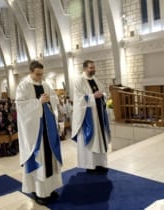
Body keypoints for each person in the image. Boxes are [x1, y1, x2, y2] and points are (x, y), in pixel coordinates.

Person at [15, 60, 63, 205]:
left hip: (48, 130)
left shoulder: (45, 84)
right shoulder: (23, 86)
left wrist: (50, 100)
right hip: (35, 133)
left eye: (42, 74)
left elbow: (54, 98)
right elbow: (21, 107)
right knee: (40, 160)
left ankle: (51, 187)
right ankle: (40, 192)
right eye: (37, 74)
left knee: (50, 159)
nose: (40, 77)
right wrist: (38, 102)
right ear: (30, 72)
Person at [71, 60, 111, 174]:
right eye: (91, 68)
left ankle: (100, 164)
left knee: (100, 139)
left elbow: (103, 92)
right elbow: (78, 99)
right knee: (92, 140)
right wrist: (92, 96)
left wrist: (102, 95)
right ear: (84, 69)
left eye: (94, 67)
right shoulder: (79, 81)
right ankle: (90, 165)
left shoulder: (95, 79)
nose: (93, 70)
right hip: (88, 117)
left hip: (99, 116)